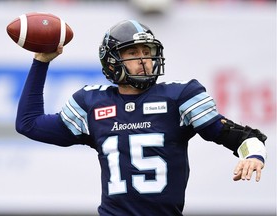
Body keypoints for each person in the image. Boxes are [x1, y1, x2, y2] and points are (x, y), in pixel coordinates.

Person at [15, 20, 267, 216]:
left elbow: (242, 137)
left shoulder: (179, 96)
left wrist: (253, 154)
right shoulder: (91, 103)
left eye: (147, 51)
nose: (144, 59)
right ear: (112, 61)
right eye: (132, 52)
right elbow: (29, 124)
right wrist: (41, 62)